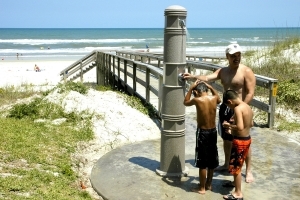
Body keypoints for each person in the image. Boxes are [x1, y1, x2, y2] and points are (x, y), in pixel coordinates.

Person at [183, 43, 256, 183]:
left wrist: (240, 110)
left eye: (238, 55)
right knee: (227, 138)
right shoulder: (223, 71)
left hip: (240, 107)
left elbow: (251, 93)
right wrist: (193, 76)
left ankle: (248, 170)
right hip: (225, 108)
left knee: (243, 139)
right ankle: (227, 163)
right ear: (227, 56)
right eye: (233, 56)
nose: (237, 58)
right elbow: (208, 78)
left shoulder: (246, 71)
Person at [183, 80, 221, 194]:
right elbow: (219, 98)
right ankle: (209, 184)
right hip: (213, 131)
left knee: (202, 162)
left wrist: (190, 88)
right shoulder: (214, 98)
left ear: (197, 91)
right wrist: (211, 87)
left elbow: (185, 102)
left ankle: (202, 188)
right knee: (212, 159)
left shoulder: (197, 99)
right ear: (207, 90)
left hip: (203, 132)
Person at [222, 90, 253, 200]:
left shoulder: (237, 108)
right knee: (238, 165)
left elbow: (239, 127)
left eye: (228, 106)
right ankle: (236, 183)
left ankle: (238, 193)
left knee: (235, 167)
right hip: (247, 138)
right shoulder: (246, 106)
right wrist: (234, 123)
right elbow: (251, 123)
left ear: (230, 101)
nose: (230, 108)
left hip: (240, 141)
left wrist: (228, 126)